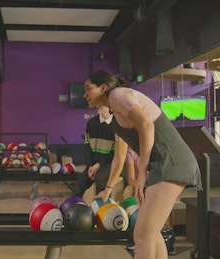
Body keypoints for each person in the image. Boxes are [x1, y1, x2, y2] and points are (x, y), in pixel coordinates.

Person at [84, 70, 201, 259]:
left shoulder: (118, 95)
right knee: (151, 234)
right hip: (162, 163)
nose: (84, 95)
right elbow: (119, 158)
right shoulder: (116, 116)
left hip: (170, 161)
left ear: (103, 88)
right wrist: (107, 189)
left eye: (88, 88)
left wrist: (142, 173)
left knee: (142, 234)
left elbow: (147, 125)